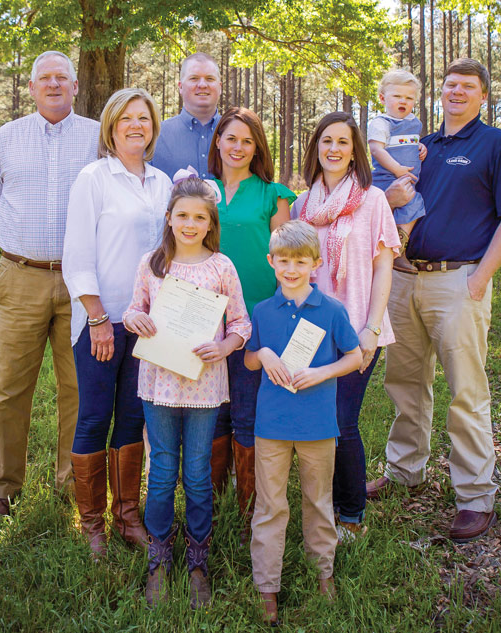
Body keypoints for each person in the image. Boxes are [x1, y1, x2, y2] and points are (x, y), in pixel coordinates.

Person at [367, 58, 501, 543]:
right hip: (403, 278)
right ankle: (404, 472)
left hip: (458, 282)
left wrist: (481, 277)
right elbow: (386, 193)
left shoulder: (496, 145)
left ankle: (476, 495)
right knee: (404, 382)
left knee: (466, 389)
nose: (456, 92)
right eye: (450, 85)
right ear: (440, 92)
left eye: (468, 87)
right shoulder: (420, 146)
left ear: (483, 96)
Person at [0, 51, 99, 518]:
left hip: (81, 281)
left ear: (75, 87)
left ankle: (73, 486)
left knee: (78, 387)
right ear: (30, 88)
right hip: (20, 277)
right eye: (43, 79)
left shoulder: (97, 138)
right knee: (8, 388)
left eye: (61, 78)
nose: (53, 85)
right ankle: (1, 490)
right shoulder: (7, 138)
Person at [124, 175, 251, 609]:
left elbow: (240, 324)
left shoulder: (222, 267)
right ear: (169, 218)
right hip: (158, 382)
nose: (190, 223)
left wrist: (224, 345)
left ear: (211, 221)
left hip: (203, 384)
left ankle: (198, 557)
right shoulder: (152, 264)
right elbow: (134, 308)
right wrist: (133, 320)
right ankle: (159, 555)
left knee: (197, 472)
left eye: (200, 217)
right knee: (161, 471)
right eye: (183, 215)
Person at [62, 88, 172, 556]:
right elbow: (78, 255)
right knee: (93, 416)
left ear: (152, 128)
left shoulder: (162, 183)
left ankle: (128, 517)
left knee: (131, 418)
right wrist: (98, 318)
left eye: (144, 119)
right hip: (101, 321)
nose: (135, 125)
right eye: (126, 118)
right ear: (111, 125)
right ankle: (91, 526)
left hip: (146, 324)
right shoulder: (94, 178)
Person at [245, 220, 362, 625]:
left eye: (300, 261)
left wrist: (323, 372)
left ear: (315, 263)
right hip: (272, 425)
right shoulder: (262, 309)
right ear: (271, 262)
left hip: (317, 425)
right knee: (271, 505)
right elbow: (247, 357)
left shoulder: (331, 311)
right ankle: (267, 586)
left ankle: (322, 573)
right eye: (283, 261)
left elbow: (355, 357)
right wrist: (262, 355)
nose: (291, 269)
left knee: (317, 500)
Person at [292, 112, 400, 543]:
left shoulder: (372, 200)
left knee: (342, 420)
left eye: (343, 142)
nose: (334, 149)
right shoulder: (303, 206)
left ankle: (352, 513)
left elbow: (384, 267)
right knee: (314, 424)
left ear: (355, 150)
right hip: (309, 332)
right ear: (316, 148)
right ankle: (321, 508)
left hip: (356, 326)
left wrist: (372, 328)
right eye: (326, 141)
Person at [207, 107, 295, 538]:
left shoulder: (273, 194)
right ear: (218, 141)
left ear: (257, 146)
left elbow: (287, 259)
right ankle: (211, 499)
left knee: (246, 411)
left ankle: (248, 513)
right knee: (212, 411)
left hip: (255, 316)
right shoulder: (202, 190)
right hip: (204, 314)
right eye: (231, 138)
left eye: (247, 140)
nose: (238, 147)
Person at [368, 69, 428, 273]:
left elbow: (410, 144)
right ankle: (392, 251)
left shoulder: (413, 123)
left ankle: (398, 248)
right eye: (397, 96)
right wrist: (397, 169)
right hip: (386, 177)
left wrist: (420, 147)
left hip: (407, 180)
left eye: (409, 98)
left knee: (414, 206)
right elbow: (377, 149)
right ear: (383, 98)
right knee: (396, 207)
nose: (403, 101)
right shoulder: (381, 123)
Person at [152, 52, 222, 179]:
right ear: (180, 87)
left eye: (210, 79)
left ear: (220, 87)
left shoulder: (237, 136)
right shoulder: (156, 136)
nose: (202, 85)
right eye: (194, 78)